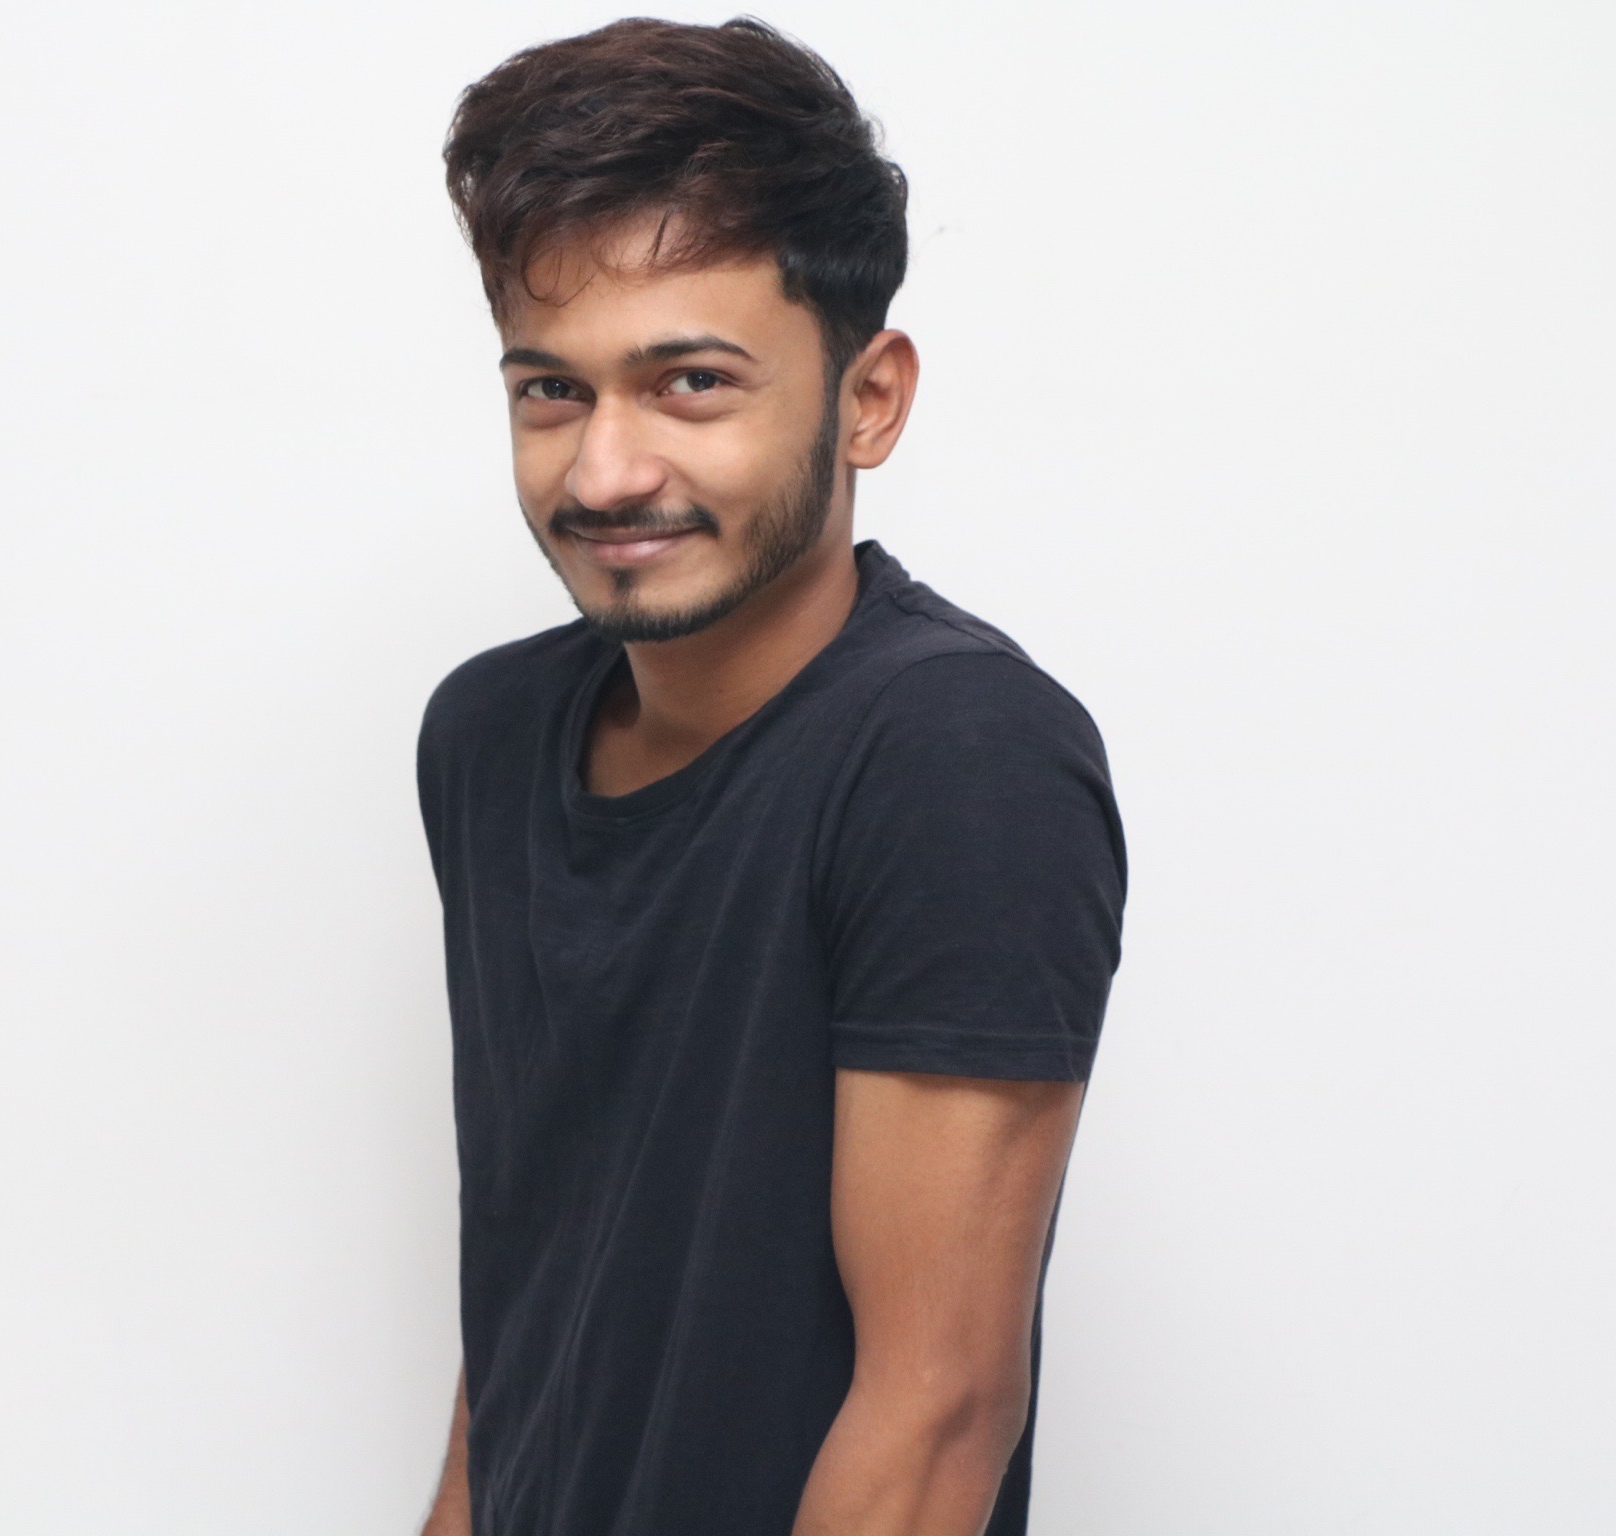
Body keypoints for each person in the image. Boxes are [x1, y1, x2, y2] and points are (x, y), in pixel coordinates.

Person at [413, 18, 1127, 1536]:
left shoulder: (956, 759)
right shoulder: (486, 735)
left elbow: (937, 1410)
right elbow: (532, 1313)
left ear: (869, 397)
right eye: (551, 391)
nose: (604, 472)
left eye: (689, 382)